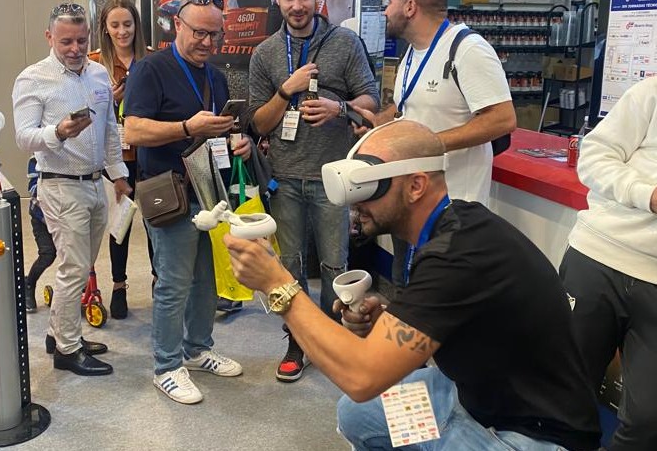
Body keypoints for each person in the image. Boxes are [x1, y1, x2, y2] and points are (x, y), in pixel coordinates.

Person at [225, 120, 601, 451]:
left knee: (363, 391)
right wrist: (392, 320)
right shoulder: (453, 226)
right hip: (474, 395)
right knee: (359, 415)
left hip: (533, 434)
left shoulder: (458, 255)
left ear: (416, 185)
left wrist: (279, 284)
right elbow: (457, 317)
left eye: (370, 185)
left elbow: (361, 377)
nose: (355, 203)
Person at [249, 0, 379, 382]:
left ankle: (335, 340)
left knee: (335, 266)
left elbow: (371, 103)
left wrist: (338, 107)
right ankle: (299, 341)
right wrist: (287, 90)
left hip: (334, 179)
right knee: (288, 267)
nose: (297, 5)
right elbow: (258, 123)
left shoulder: (345, 43)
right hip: (284, 178)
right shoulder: (265, 54)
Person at [124, 0, 251, 405]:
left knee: (206, 281)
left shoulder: (215, 77)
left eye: (215, 35)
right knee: (174, 283)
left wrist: (236, 141)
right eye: (199, 33)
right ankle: (166, 366)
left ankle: (197, 349)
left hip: (209, 191)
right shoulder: (150, 69)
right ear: (177, 24)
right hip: (170, 194)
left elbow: (216, 131)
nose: (207, 43)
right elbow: (133, 130)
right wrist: (186, 127)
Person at [12, 2, 131, 376]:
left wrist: (119, 174)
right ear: (49, 37)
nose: (75, 49)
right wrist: (58, 132)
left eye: (81, 40)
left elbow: (109, 130)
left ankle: (58, 333)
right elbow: (23, 137)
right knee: (73, 268)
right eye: (66, 41)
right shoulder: (33, 78)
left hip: (96, 184)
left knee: (80, 267)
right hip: (60, 186)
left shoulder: (98, 73)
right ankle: (67, 349)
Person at [560, 76, 657, 450]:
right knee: (564, 391)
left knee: (649, 421)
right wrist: (647, 195)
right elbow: (594, 157)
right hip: (599, 257)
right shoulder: (650, 93)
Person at [364, 0, 516, 204]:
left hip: (456, 203)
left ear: (410, 7)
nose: (386, 12)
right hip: (416, 199)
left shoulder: (468, 49)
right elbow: (409, 104)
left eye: (390, 2)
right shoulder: (412, 50)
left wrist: (432, 144)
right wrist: (379, 122)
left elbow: (503, 119)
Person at [88, 0, 155, 319]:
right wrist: (110, 103)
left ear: (136, 26)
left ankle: (159, 279)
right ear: (105, 28)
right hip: (115, 156)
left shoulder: (153, 60)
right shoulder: (93, 64)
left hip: (151, 151)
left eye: (127, 24)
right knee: (121, 223)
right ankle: (118, 285)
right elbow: (84, 115)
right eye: (114, 25)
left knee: (156, 219)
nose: (122, 31)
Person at [23, 156, 55, 314]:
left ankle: (76, 290)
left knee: (74, 255)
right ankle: (29, 284)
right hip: (41, 218)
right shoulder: (36, 159)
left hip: (67, 217)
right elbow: (34, 189)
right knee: (48, 254)